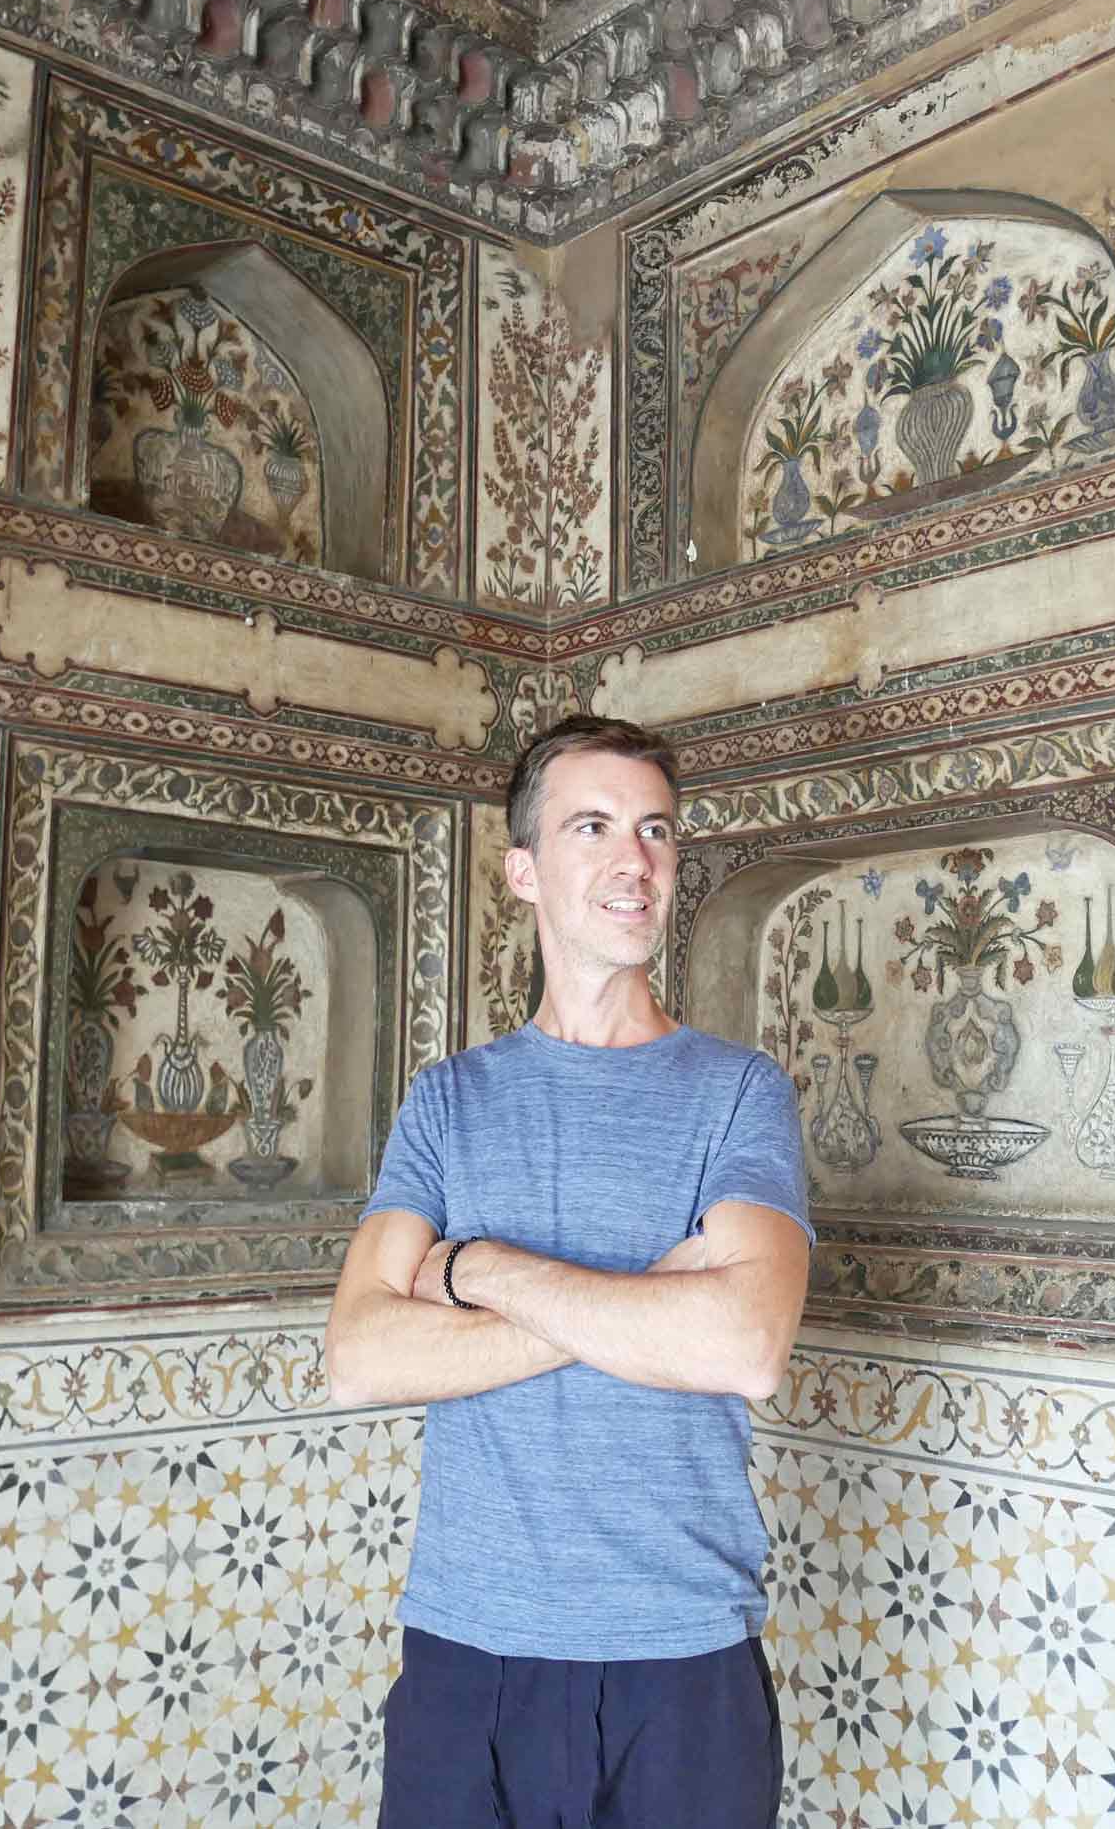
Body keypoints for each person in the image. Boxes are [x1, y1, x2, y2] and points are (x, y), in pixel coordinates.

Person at [324, 713, 812, 1828]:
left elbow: (743, 1345)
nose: (634, 859)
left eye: (655, 830)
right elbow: (357, 1355)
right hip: (469, 1657)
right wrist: (649, 1295)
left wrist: (479, 1266)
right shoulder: (449, 1099)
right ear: (524, 870)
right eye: (592, 825)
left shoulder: (738, 1091)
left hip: (682, 1659)